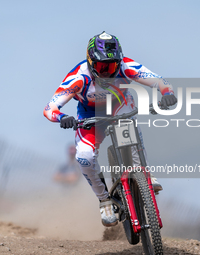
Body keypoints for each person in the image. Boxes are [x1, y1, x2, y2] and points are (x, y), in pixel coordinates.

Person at [43, 32, 177, 227]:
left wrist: (168, 94)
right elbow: (49, 109)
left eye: (111, 65)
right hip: (90, 116)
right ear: (90, 62)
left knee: (128, 127)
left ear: (119, 61)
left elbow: (159, 81)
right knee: (85, 156)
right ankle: (105, 201)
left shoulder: (127, 67)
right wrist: (63, 118)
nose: (106, 71)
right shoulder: (78, 77)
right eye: (100, 66)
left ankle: (143, 172)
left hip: (119, 106)